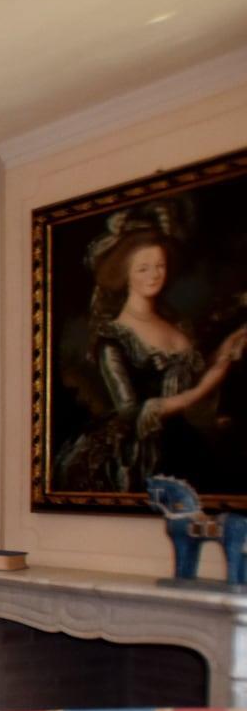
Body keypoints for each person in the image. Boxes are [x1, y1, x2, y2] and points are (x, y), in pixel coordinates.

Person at [56, 204, 247, 494]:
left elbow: (194, 377)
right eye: (143, 268)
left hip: (187, 440)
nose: (154, 275)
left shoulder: (175, 323)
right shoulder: (114, 337)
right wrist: (201, 390)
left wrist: (229, 346)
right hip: (148, 454)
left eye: (160, 266)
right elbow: (131, 413)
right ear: (126, 273)